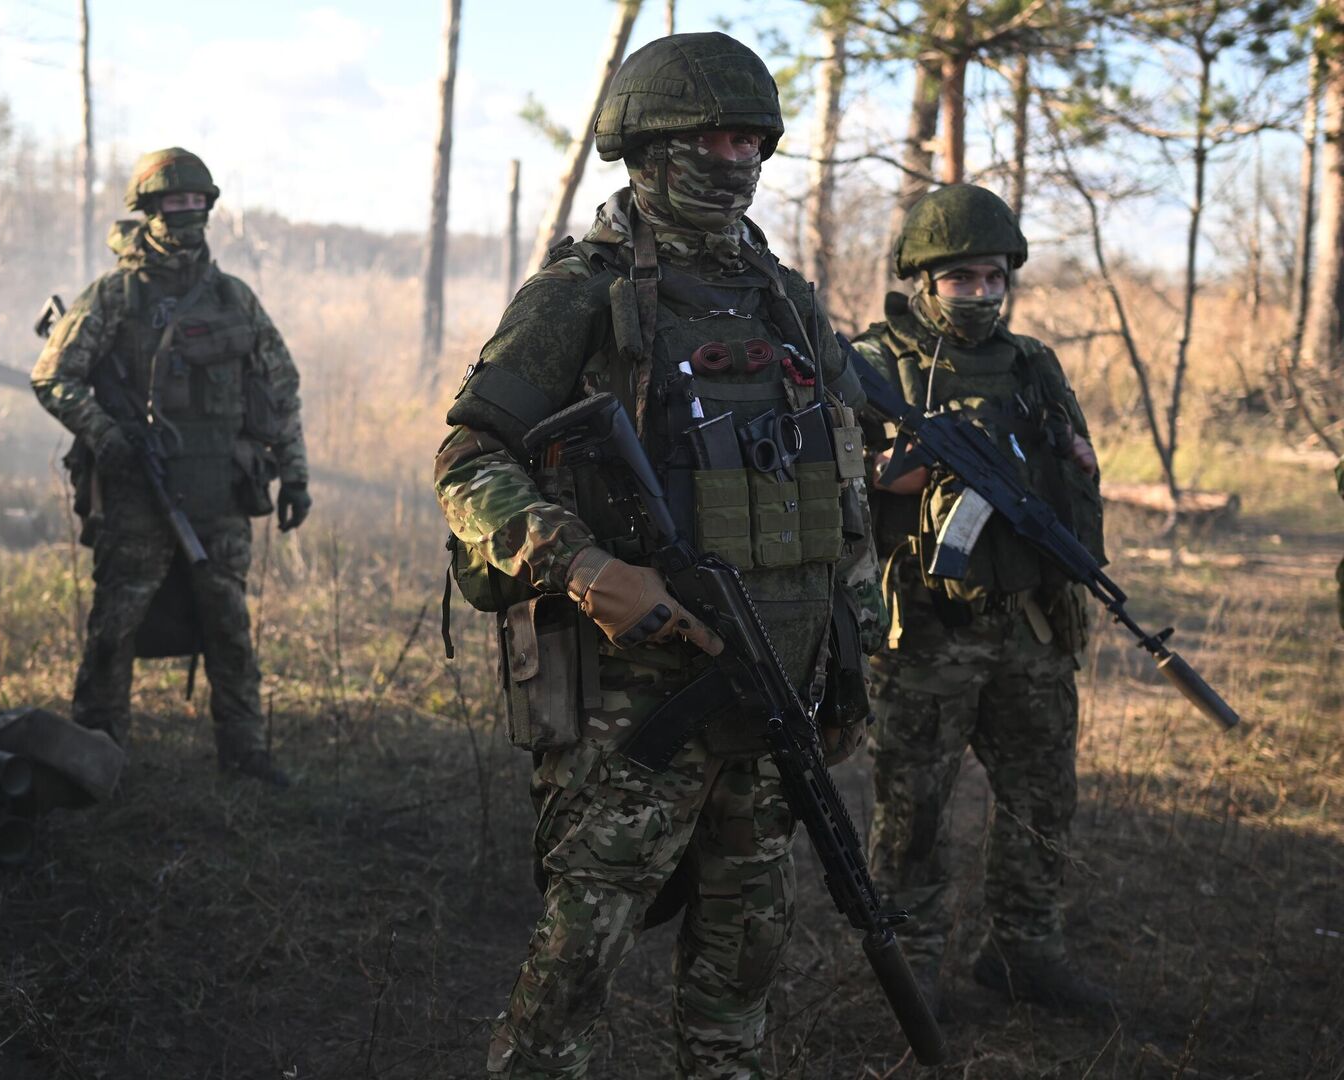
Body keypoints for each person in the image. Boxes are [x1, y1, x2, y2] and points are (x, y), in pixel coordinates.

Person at [435, 33, 880, 1078]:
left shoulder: (788, 303)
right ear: (647, 146)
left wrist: (848, 649)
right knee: (577, 962)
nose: (733, 158)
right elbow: (469, 459)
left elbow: (842, 490)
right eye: (708, 137)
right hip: (632, 709)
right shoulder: (580, 297)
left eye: (750, 139)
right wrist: (582, 566)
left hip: (772, 689)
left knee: (741, 967)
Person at [850, 183, 1113, 1017]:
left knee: (1043, 798)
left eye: (996, 277)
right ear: (922, 281)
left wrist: (1071, 460)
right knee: (913, 814)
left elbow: (1065, 466)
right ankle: (912, 972)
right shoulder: (872, 365)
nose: (982, 295)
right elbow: (816, 489)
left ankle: (1024, 950)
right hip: (927, 635)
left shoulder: (1033, 362)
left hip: (1030, 627)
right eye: (962, 278)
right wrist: (888, 478)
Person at [31, 147, 308, 788]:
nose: (185, 215)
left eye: (195, 204)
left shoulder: (234, 300)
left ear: (208, 208)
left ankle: (244, 753)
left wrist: (295, 476)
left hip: (221, 495)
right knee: (115, 626)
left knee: (230, 627)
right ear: (149, 211)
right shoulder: (115, 296)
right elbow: (53, 376)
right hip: (136, 495)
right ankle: (95, 755)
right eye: (172, 204)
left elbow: (280, 392)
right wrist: (107, 437)